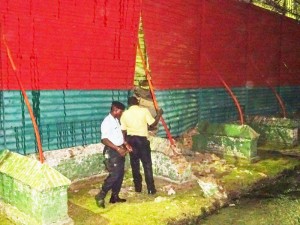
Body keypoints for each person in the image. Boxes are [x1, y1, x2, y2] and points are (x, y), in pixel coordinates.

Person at [120, 96, 163, 195]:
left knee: (135, 165)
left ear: (129, 104)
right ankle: (151, 189)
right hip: (142, 141)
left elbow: (123, 131)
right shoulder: (144, 111)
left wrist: (125, 143)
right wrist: (159, 114)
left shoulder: (125, 114)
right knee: (147, 165)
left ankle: (138, 188)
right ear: (137, 102)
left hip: (131, 141)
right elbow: (153, 125)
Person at [95, 101, 132, 208]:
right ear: (115, 110)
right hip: (112, 151)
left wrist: (126, 144)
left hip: (119, 149)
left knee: (120, 175)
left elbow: (119, 135)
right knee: (114, 175)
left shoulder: (116, 120)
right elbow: (104, 139)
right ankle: (100, 196)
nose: (122, 114)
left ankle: (114, 196)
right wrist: (117, 148)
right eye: (121, 112)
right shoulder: (107, 122)